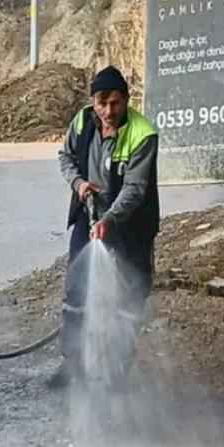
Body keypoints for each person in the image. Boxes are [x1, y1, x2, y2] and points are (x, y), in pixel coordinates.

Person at [50, 66, 160, 388]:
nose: (108, 111)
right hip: (89, 212)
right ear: (93, 102)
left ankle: (117, 369)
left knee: (129, 293)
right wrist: (79, 183)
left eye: (115, 103)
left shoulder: (143, 134)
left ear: (126, 100)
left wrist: (109, 220)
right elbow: (65, 156)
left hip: (131, 223)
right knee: (76, 290)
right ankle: (72, 364)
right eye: (102, 103)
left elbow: (135, 189)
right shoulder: (83, 121)